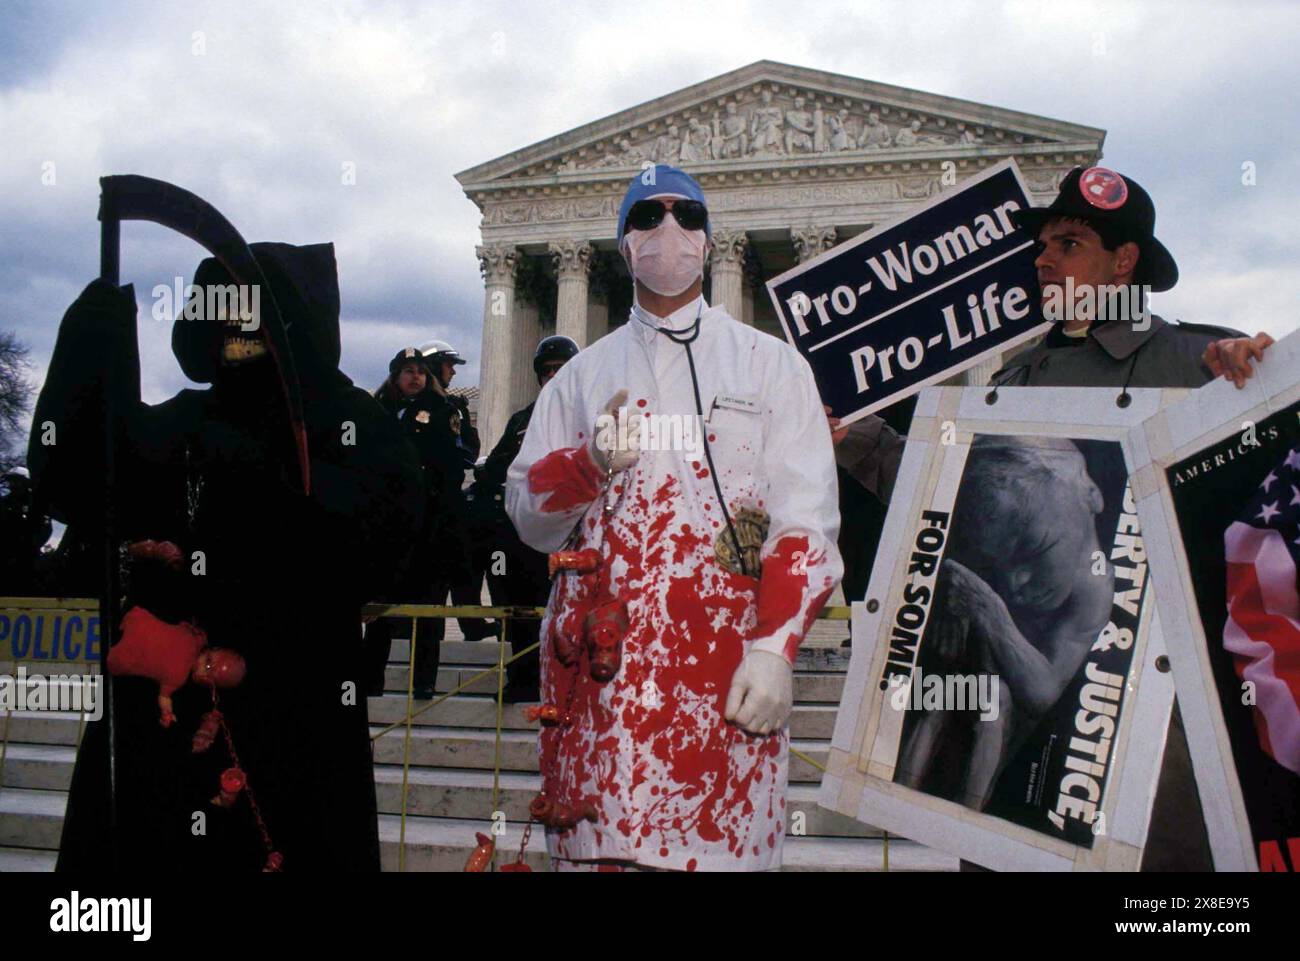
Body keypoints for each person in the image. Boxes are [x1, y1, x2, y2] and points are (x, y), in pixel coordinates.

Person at [31, 243, 424, 871]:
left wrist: (250, 649)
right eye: (222, 311)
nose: (238, 332)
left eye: (255, 313)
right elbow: (78, 482)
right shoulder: (188, 419)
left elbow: (380, 550)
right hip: (164, 724)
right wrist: (96, 336)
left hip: (291, 719)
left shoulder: (349, 424)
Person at [506, 165, 842, 871]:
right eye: (646, 217)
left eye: (685, 215)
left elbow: (804, 523)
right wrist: (585, 464)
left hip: (722, 684)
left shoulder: (772, 367)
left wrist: (777, 645)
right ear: (623, 245)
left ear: (709, 239)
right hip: (601, 692)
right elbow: (525, 515)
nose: (667, 231)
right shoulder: (577, 379)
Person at [467, 334, 580, 703]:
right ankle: (522, 678)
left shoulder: (589, 417)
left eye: (560, 368)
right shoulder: (522, 420)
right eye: (547, 370)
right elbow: (498, 465)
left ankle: (567, 685)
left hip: (569, 535)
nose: (553, 375)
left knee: (568, 614)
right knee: (521, 614)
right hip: (524, 537)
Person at [363, 347, 449, 699]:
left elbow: (447, 464)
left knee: (427, 608)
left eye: (421, 372)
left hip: (426, 523)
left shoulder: (440, 411)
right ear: (396, 375)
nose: (416, 377)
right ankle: (371, 679)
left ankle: (424, 681)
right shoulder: (377, 412)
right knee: (382, 607)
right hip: (387, 526)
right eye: (408, 371)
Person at [420, 339, 499, 645]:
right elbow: (460, 453)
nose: (453, 371)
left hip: (448, 502)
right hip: (433, 503)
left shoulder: (452, 406)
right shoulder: (427, 408)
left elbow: (467, 450)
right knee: (441, 574)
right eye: (449, 365)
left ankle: (472, 623)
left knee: (462, 563)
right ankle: (463, 625)